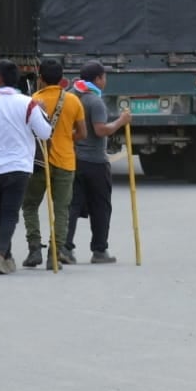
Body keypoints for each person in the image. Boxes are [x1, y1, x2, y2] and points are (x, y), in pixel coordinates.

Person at [0, 59, 53, 274]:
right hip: (19, 167)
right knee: (10, 214)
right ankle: (2, 254)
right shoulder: (28, 104)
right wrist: (42, 113)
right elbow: (45, 132)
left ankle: (5, 255)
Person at [22, 59, 87, 268]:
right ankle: (54, 254)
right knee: (61, 209)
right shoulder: (73, 101)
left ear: (40, 78)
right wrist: (67, 137)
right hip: (66, 162)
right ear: (62, 79)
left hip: (39, 162)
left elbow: (27, 132)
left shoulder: (33, 100)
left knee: (30, 204)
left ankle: (34, 249)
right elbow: (83, 133)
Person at [66, 61, 132, 265]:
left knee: (72, 205)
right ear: (97, 79)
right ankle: (99, 250)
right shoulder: (94, 101)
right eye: (104, 77)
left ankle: (64, 247)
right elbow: (101, 130)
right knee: (100, 207)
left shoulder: (71, 95)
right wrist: (121, 121)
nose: (106, 80)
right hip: (95, 161)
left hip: (73, 159)